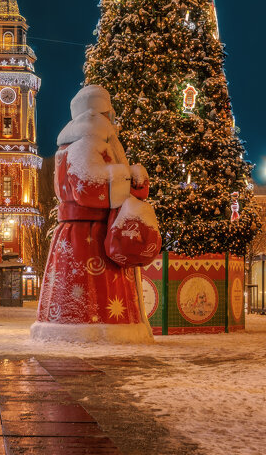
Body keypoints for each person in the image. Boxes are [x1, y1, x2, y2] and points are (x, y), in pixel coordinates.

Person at [31, 85, 160, 344]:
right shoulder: (88, 142)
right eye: (108, 111)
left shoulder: (84, 142)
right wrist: (128, 178)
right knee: (96, 289)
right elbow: (87, 186)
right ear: (99, 112)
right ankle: (93, 328)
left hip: (82, 232)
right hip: (89, 235)